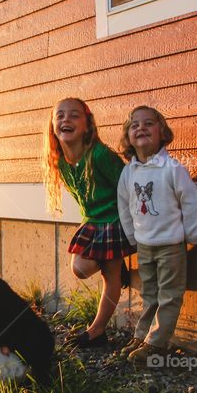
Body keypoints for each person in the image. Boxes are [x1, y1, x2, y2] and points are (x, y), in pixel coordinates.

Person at [43, 98, 134, 348]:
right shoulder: (61, 161)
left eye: (74, 115)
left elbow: (127, 188)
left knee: (110, 275)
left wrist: (131, 230)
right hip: (93, 221)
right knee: (80, 268)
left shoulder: (100, 155)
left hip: (115, 220)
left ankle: (97, 330)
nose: (65, 120)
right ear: (52, 125)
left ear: (87, 125)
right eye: (59, 116)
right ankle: (115, 265)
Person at [116, 106, 197, 364]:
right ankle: (142, 336)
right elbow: (124, 206)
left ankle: (157, 344)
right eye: (134, 125)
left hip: (171, 245)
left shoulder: (171, 168)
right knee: (149, 294)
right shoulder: (128, 172)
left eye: (148, 123)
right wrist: (132, 237)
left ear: (162, 132)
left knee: (169, 295)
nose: (141, 127)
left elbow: (190, 201)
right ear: (128, 137)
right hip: (144, 246)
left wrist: (191, 235)